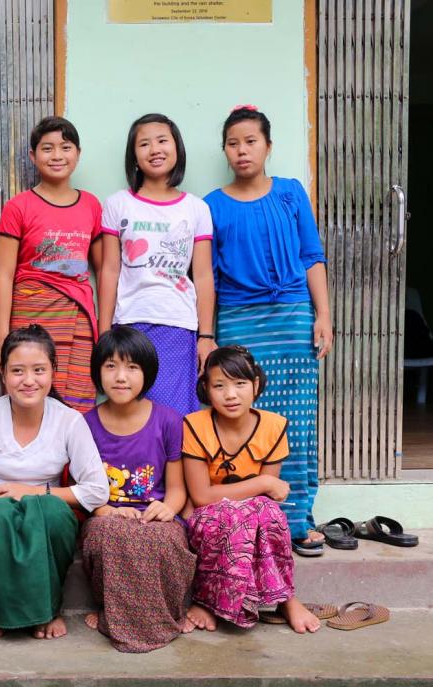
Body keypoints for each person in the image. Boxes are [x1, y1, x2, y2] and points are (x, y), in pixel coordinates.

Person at [204, 106, 332, 556]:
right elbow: (208, 279)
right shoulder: (211, 205)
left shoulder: (291, 193)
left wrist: (323, 315)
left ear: (268, 146)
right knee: (242, 419)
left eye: (251, 141)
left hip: (293, 316)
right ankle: (254, 517)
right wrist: (208, 334)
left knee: (294, 420)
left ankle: (297, 519)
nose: (242, 150)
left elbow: (312, 256)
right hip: (239, 320)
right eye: (234, 143)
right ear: (225, 150)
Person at [0, 325, 109, 640]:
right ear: (2, 374)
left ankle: (47, 609)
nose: (28, 380)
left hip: (44, 511)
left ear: (53, 371)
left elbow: (97, 490)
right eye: (17, 371)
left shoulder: (69, 421)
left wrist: (32, 492)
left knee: (52, 514)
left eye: (38, 370)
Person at [182, 346, 320, 634]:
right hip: (206, 518)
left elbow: (265, 502)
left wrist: (263, 490)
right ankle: (207, 600)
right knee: (234, 517)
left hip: (252, 516)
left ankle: (285, 598)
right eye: (219, 385)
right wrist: (263, 482)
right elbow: (202, 496)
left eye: (240, 384)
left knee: (267, 514)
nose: (230, 394)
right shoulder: (194, 425)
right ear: (206, 389)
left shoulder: (273, 426)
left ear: (255, 384)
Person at [81, 326, 195, 653]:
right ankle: (118, 615)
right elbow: (83, 492)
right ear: (98, 371)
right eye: (111, 366)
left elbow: (176, 488)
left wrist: (169, 509)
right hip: (106, 516)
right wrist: (108, 511)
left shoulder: (169, 420)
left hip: (155, 516)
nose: (121, 377)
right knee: (113, 534)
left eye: (132, 367)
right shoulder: (84, 425)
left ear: (147, 373)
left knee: (166, 540)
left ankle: (159, 615)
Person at [96, 113, 216, 416]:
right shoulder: (118, 204)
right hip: (131, 324)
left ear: (177, 148)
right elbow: (109, 270)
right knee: (133, 414)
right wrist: (104, 332)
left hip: (179, 325)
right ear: (134, 156)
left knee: (175, 417)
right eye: (144, 144)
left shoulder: (196, 208)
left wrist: (206, 336)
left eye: (163, 141)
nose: (155, 149)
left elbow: (202, 276)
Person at [0, 116, 102, 413]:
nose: (56, 156)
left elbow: (104, 271)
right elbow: (3, 275)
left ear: (77, 153)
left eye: (65, 147)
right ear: (33, 155)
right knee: (29, 394)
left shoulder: (91, 205)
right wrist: (2, 336)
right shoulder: (18, 206)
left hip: (78, 316)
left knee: (77, 404)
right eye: (47, 148)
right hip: (31, 315)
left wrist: (104, 328)